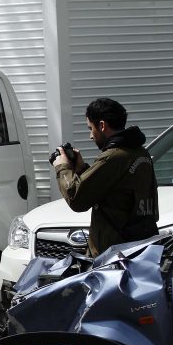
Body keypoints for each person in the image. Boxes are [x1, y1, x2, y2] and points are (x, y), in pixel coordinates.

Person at [52, 98, 159, 256]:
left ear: (102, 125)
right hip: (139, 251)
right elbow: (115, 191)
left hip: (114, 258)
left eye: (91, 128)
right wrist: (82, 169)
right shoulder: (140, 153)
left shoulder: (113, 157)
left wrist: (62, 167)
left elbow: (76, 198)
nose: (90, 136)